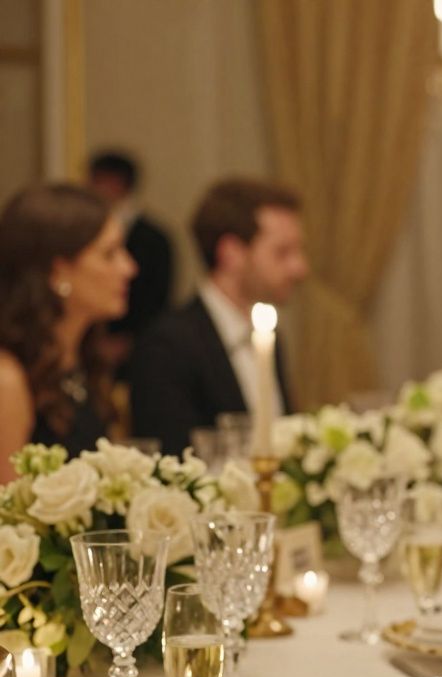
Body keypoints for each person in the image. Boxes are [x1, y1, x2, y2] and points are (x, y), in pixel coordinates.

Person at [130, 178, 307, 455]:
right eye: (282, 253)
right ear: (231, 253)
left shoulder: (268, 334)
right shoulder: (168, 346)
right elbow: (174, 465)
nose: (300, 268)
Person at [0, 184, 138, 480]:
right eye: (109, 254)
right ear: (58, 270)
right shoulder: (8, 380)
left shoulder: (80, 356)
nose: (129, 268)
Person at [87, 150, 175, 371]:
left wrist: (129, 341)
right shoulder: (86, 230)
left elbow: (158, 300)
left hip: (141, 352)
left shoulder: (154, 238)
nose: (128, 268)